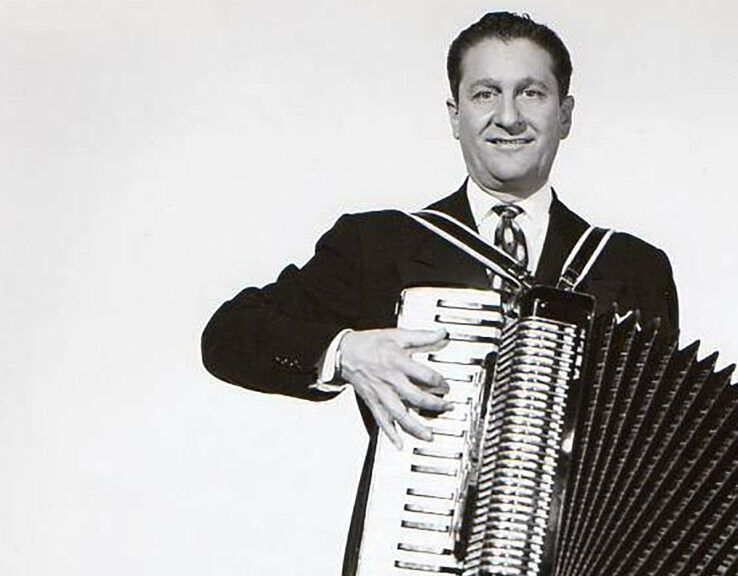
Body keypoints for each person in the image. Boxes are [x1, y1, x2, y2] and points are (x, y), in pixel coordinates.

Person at [201, 11, 679, 573]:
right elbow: (227, 337)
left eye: (531, 93)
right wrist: (344, 351)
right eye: (485, 94)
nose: (508, 116)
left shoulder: (632, 267)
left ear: (565, 115)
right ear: (455, 116)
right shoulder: (377, 244)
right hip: (418, 555)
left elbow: (656, 455)